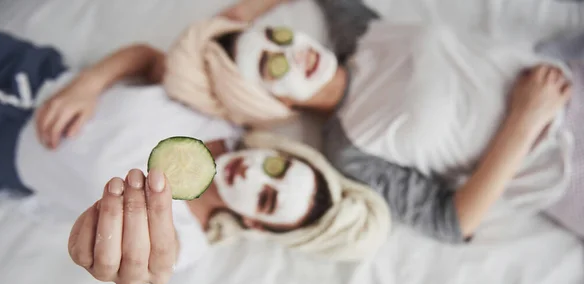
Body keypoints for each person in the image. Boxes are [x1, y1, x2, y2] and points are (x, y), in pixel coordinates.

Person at [0, 27, 391, 284]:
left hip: (0, 153)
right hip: (39, 76)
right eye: (276, 168)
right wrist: (86, 86)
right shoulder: (220, 114)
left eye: (266, 198)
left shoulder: (186, 241)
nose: (252, 174)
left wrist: (124, 263)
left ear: (254, 222)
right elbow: (146, 57)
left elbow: (147, 262)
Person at [161, 0, 582, 243]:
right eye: (271, 66)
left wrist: (233, 20)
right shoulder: (349, 148)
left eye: (279, 37)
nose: (291, 51)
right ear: (268, 105)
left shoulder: (360, 33)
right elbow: (454, 222)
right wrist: (525, 120)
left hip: (567, 71)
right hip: (560, 162)